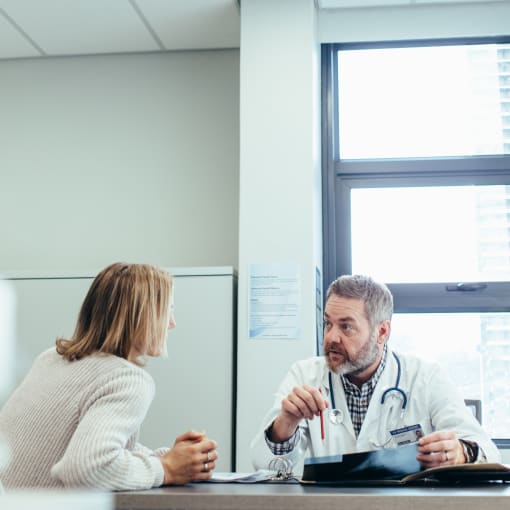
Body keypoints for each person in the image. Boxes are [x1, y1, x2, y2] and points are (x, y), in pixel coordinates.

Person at [251, 274, 500, 475]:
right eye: (328, 323)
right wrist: (286, 422)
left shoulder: (426, 377)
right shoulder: (305, 375)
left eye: (346, 326)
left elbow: (488, 451)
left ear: (381, 332)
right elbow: (263, 465)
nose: (330, 338)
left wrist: (460, 452)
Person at [0, 262, 218, 490]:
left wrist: (168, 459)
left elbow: (75, 446)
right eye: (168, 311)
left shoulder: (51, 359)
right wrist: (166, 469)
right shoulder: (126, 379)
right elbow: (86, 469)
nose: (172, 324)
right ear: (140, 315)